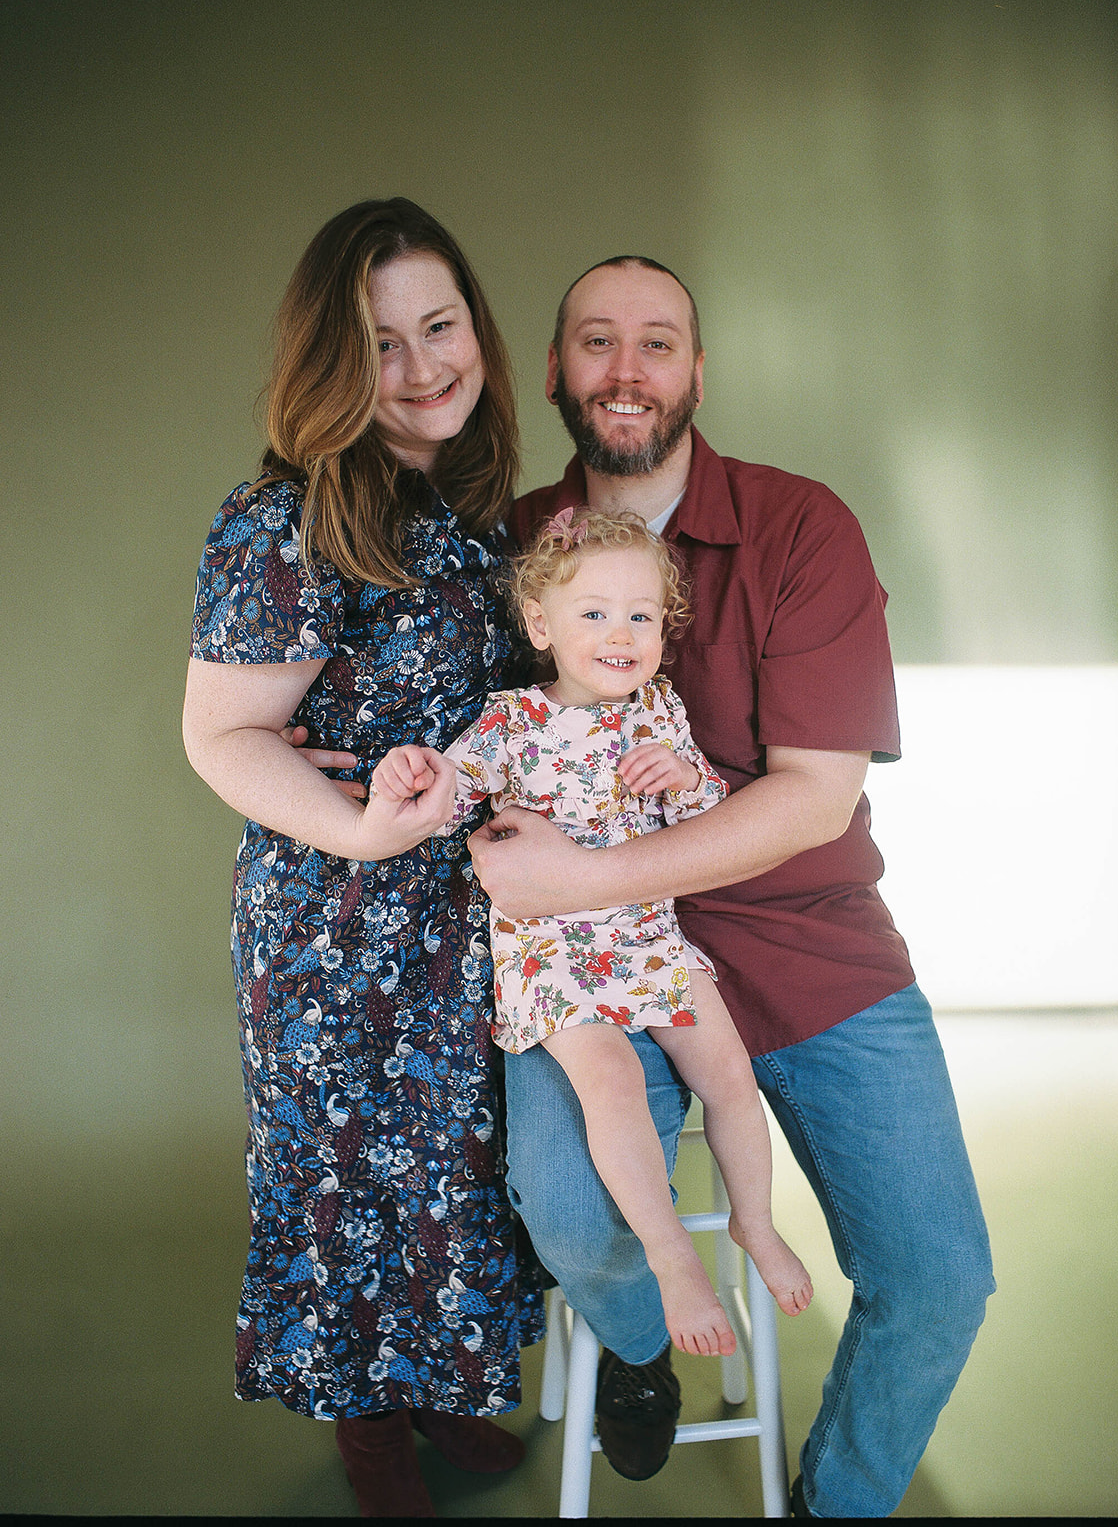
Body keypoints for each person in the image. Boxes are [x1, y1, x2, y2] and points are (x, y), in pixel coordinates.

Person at [465, 255, 996, 1517]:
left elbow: (814, 796)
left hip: (806, 938)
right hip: (584, 957)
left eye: (659, 342)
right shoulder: (509, 548)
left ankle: (836, 1503)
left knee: (939, 1277)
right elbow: (443, 744)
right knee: (569, 1209)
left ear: (698, 371)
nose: (627, 368)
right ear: (555, 374)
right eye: (596, 341)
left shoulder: (803, 525)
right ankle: (642, 1353)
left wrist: (582, 869)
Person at [180, 197, 547, 1520]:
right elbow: (220, 733)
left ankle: (446, 1389)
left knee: (454, 1168)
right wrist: (358, 828)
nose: (424, 362)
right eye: (382, 344)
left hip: (461, 917)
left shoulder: (462, 506)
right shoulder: (284, 517)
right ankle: (369, 1429)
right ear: (337, 368)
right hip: (336, 917)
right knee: (345, 1182)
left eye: (439, 325)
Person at [370, 507, 814, 1358]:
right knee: (608, 1082)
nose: (623, 633)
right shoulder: (510, 723)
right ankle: (672, 1254)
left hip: (647, 935)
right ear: (541, 624)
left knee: (729, 1073)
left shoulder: (659, 713)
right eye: (596, 613)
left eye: (642, 616)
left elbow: (699, 823)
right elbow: (442, 805)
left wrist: (685, 777)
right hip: (554, 955)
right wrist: (409, 771)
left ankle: (756, 1224)